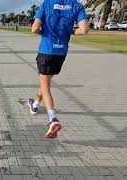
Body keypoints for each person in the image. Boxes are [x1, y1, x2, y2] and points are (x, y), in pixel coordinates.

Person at [28, 0, 90, 139]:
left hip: (46, 50)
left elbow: (34, 28)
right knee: (46, 82)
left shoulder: (47, 4)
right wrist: (71, 31)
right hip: (61, 53)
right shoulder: (77, 6)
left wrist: (42, 32)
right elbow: (84, 30)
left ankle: (53, 119)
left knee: (45, 85)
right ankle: (35, 105)